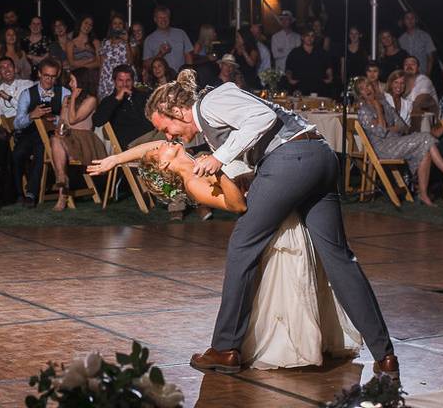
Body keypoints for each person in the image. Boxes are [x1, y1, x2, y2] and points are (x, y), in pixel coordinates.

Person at [120, 69, 399, 378]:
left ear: (175, 110)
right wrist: (114, 161)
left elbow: (262, 117)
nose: (169, 137)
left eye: (167, 128)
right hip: (319, 157)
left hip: (291, 160)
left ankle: (226, 348)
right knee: (339, 259)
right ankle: (385, 353)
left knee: (242, 246)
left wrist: (220, 157)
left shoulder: (211, 102)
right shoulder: (211, 125)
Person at [88, 138, 361, 369]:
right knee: (287, 282)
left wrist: (116, 159)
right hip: (270, 219)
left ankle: (316, 338)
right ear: (163, 165)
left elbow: (153, 145)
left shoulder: (192, 159)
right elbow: (237, 204)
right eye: (161, 151)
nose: (165, 142)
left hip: (280, 200)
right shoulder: (194, 182)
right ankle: (293, 345)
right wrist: (218, 172)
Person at [356, 76, 443, 207]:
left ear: (373, 86)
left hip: (396, 142)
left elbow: (402, 126)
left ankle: (424, 195)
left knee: (425, 150)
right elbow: (381, 132)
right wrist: (379, 111)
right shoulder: (364, 111)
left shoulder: (384, 104)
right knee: (426, 137)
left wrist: (387, 125)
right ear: (360, 95)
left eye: (368, 85)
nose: (367, 89)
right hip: (382, 148)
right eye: (362, 89)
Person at [12, 58, 69, 207]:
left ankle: (31, 194)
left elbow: (70, 119)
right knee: (17, 153)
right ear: (39, 74)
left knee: (40, 149)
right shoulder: (27, 94)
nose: (49, 80)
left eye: (52, 76)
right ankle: (19, 193)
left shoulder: (64, 92)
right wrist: (32, 115)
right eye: (46, 76)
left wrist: (55, 119)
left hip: (53, 135)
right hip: (29, 133)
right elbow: (17, 123)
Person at [49, 68, 107, 210]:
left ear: (81, 82)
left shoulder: (91, 99)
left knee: (57, 142)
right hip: (66, 138)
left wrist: (74, 97)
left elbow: (73, 120)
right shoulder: (67, 98)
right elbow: (63, 122)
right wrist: (64, 109)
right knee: (56, 139)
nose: (70, 84)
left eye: (73, 81)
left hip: (83, 140)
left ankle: (62, 187)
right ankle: (62, 180)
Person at [92, 64, 153, 149]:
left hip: (149, 141)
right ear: (114, 81)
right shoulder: (109, 101)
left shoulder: (144, 96)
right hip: (128, 145)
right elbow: (97, 121)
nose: (124, 84)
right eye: (120, 80)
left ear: (133, 81)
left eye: (128, 80)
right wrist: (117, 99)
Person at [142, 6, 194, 74]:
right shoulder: (149, 40)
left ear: (169, 18)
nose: (163, 20)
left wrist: (190, 74)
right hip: (162, 80)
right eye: (160, 18)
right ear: (155, 19)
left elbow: (188, 56)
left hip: (181, 77)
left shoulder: (181, 33)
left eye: (165, 17)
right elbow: (146, 65)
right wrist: (161, 54)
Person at [285, 28, 332, 96]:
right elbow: (288, 69)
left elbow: (328, 67)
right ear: (302, 37)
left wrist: (330, 78)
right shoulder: (295, 52)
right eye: (307, 35)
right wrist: (290, 80)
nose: (310, 38)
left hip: (318, 86)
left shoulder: (321, 52)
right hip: (300, 86)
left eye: (312, 36)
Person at [98, 14, 132, 99]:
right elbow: (102, 64)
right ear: (111, 26)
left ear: (123, 25)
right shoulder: (105, 42)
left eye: (120, 23)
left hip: (123, 78)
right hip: (107, 79)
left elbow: (130, 61)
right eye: (115, 23)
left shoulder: (130, 41)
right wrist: (100, 82)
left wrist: (126, 42)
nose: (117, 25)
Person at [0, 56, 35, 121]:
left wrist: (9, 98)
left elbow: (28, 110)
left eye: (9, 66)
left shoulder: (28, 85)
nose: (7, 69)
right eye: (2, 68)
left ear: (15, 69)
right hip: (11, 129)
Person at [66, 15, 101, 92]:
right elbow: (71, 63)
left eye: (90, 25)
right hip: (77, 77)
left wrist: (83, 68)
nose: (87, 26)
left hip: (92, 77)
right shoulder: (70, 43)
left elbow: (99, 62)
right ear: (80, 23)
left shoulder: (95, 42)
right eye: (86, 23)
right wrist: (91, 59)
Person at [398, 12, 436, 76]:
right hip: (406, 76)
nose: (410, 20)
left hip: (421, 74)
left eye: (412, 18)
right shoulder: (400, 39)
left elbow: (430, 58)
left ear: (416, 20)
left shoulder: (425, 36)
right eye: (407, 18)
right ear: (404, 21)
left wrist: (428, 75)